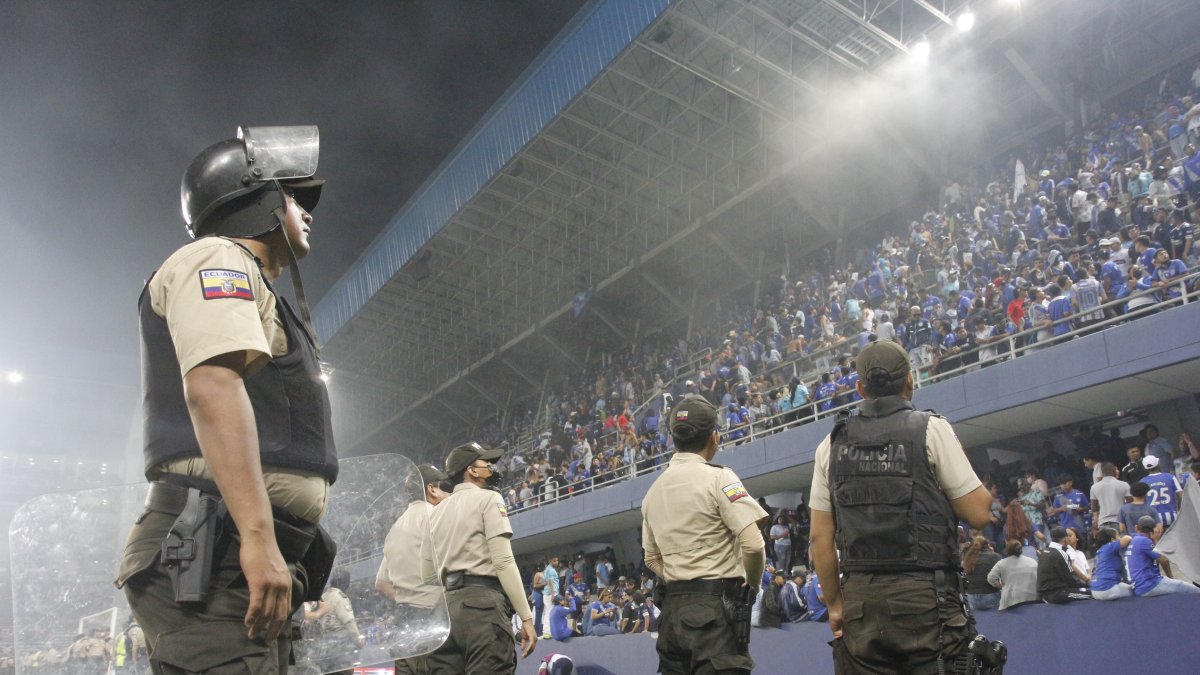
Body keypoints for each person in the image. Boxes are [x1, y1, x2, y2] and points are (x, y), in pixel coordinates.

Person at [116, 126, 339, 674]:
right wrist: (259, 540)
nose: (308, 206)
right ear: (255, 197)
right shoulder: (215, 257)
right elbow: (213, 385)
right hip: (214, 551)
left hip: (237, 552)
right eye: (293, 194)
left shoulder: (259, 286)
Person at [809, 340, 992, 673]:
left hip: (861, 606)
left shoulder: (830, 444)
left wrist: (836, 604)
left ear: (860, 388)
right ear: (911, 380)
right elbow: (979, 512)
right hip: (927, 602)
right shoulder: (932, 429)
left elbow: (820, 539)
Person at [641, 394, 768, 674]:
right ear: (714, 437)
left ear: (674, 439)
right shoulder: (719, 478)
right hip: (714, 610)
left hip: (672, 613)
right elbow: (754, 545)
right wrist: (752, 587)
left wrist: (679, 575)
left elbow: (651, 559)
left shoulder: (652, 493)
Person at [426, 442, 537, 673]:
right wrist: (526, 617)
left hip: (444, 611)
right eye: (486, 463)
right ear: (472, 470)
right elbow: (504, 561)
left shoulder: (435, 513)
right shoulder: (489, 499)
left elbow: (429, 573)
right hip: (481, 606)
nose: (491, 467)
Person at [376, 463, 450, 675]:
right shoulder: (438, 515)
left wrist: (407, 598)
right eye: (441, 487)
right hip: (436, 618)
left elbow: (380, 583)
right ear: (431, 489)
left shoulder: (395, 528)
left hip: (403, 620)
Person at [1127, 516, 1200, 597]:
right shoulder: (1143, 541)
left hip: (1139, 585)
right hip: (1149, 585)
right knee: (1191, 589)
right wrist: (1171, 577)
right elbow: (1163, 560)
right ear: (1152, 530)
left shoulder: (1134, 539)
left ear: (1136, 527)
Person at [1037, 528, 1092, 603]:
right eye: (1068, 536)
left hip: (1043, 594)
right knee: (1092, 594)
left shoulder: (1044, 552)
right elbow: (1070, 579)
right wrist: (1087, 585)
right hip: (1058, 594)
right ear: (1065, 539)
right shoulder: (1061, 553)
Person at [986, 541, 1040, 610]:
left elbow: (991, 578)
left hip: (1010, 601)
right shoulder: (1032, 561)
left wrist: (1001, 586)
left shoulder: (1002, 563)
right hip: (1031, 599)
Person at [1088, 528, 1133, 600]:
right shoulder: (1110, 546)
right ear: (1112, 539)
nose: (1120, 538)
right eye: (1118, 535)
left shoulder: (1099, 551)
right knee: (1136, 590)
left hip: (1094, 590)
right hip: (1107, 588)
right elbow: (1127, 538)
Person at [1139, 456, 1183, 527]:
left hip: (1153, 518)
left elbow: (1141, 502)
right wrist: (1179, 510)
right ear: (1158, 464)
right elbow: (1181, 495)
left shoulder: (1142, 481)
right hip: (1172, 515)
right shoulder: (1170, 477)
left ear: (1145, 468)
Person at [962, 537, 1002, 611]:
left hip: (971, 598)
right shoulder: (996, 556)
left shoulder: (967, 558)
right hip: (991, 595)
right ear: (988, 545)